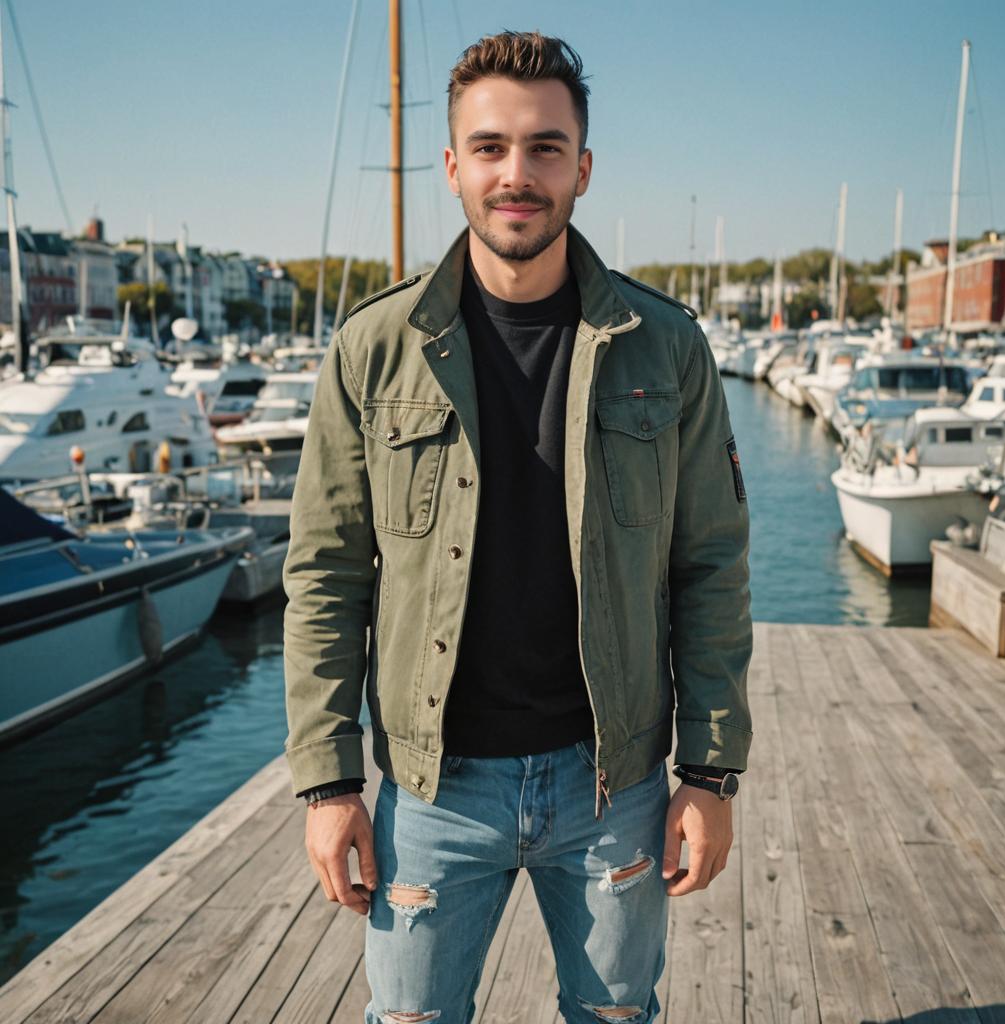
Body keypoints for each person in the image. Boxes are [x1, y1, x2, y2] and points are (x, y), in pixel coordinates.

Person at [282, 30, 752, 1024]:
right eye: (489, 147)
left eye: (545, 148)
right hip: (435, 787)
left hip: (611, 782)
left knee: (617, 1016)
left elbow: (709, 562)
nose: (517, 174)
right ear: (452, 166)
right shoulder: (372, 348)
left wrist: (709, 773)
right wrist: (327, 784)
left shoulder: (665, 348)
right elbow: (326, 572)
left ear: (582, 168)